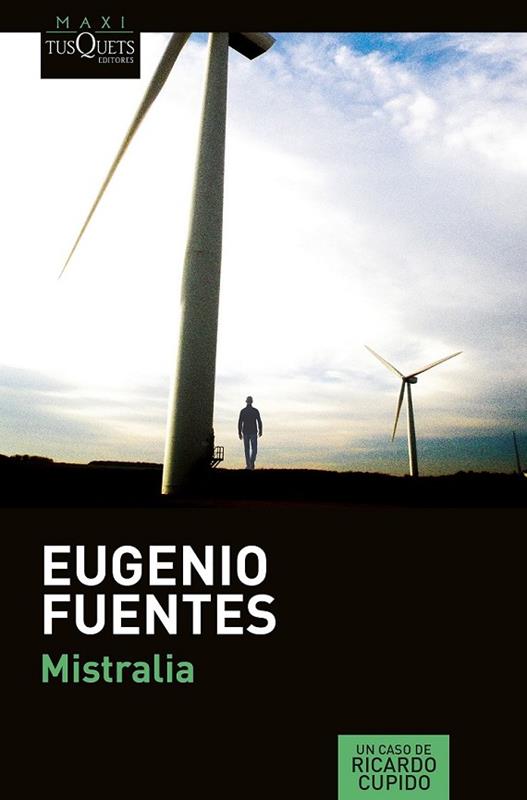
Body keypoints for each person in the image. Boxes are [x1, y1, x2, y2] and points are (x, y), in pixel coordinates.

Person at [238, 396, 263, 470]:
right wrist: (239, 432)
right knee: (251, 449)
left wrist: (239, 432)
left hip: (249, 432)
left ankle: (250, 464)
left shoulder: (245, 411)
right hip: (249, 432)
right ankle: (250, 464)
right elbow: (240, 422)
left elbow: (259, 421)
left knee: (249, 449)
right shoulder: (253, 411)